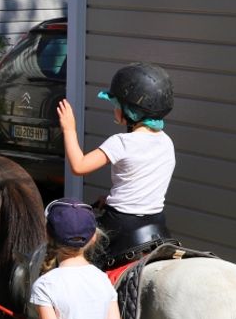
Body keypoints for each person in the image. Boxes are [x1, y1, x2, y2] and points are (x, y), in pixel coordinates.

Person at [57, 63, 176, 265]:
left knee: (71, 258)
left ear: (131, 111)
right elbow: (141, 183)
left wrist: (69, 129)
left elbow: (79, 166)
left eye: (117, 105)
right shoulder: (166, 142)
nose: (115, 109)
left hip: (121, 225)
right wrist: (114, 198)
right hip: (156, 222)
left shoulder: (121, 142)